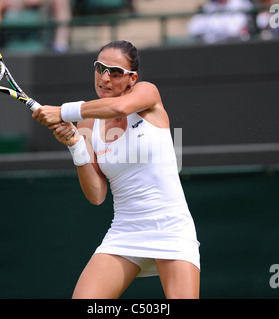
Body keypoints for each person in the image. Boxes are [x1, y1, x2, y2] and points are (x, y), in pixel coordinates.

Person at [32, 40, 201, 299]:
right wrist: (76, 145)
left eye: (115, 71)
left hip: (171, 229)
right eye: (100, 68)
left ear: (132, 78)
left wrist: (62, 111)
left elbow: (120, 107)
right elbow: (96, 195)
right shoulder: (88, 123)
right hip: (124, 232)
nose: (105, 77)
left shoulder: (147, 93)